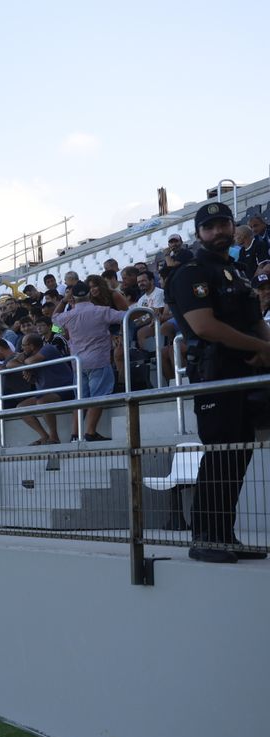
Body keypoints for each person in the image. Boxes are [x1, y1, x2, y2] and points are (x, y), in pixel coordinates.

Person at [165, 202, 270, 563]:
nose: (217, 232)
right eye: (209, 227)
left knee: (239, 454)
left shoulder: (237, 271)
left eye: (223, 224)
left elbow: (255, 319)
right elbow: (204, 326)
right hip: (215, 375)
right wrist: (260, 347)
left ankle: (226, 535)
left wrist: (266, 349)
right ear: (199, 234)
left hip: (247, 372)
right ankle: (206, 537)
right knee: (221, 453)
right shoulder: (190, 272)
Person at [53, 279, 127, 440]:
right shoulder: (102, 311)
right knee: (98, 396)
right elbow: (126, 316)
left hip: (78, 364)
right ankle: (90, 432)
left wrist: (63, 301)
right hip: (98, 360)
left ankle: (75, 434)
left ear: (73, 296)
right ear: (89, 294)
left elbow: (54, 321)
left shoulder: (68, 315)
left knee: (80, 400)